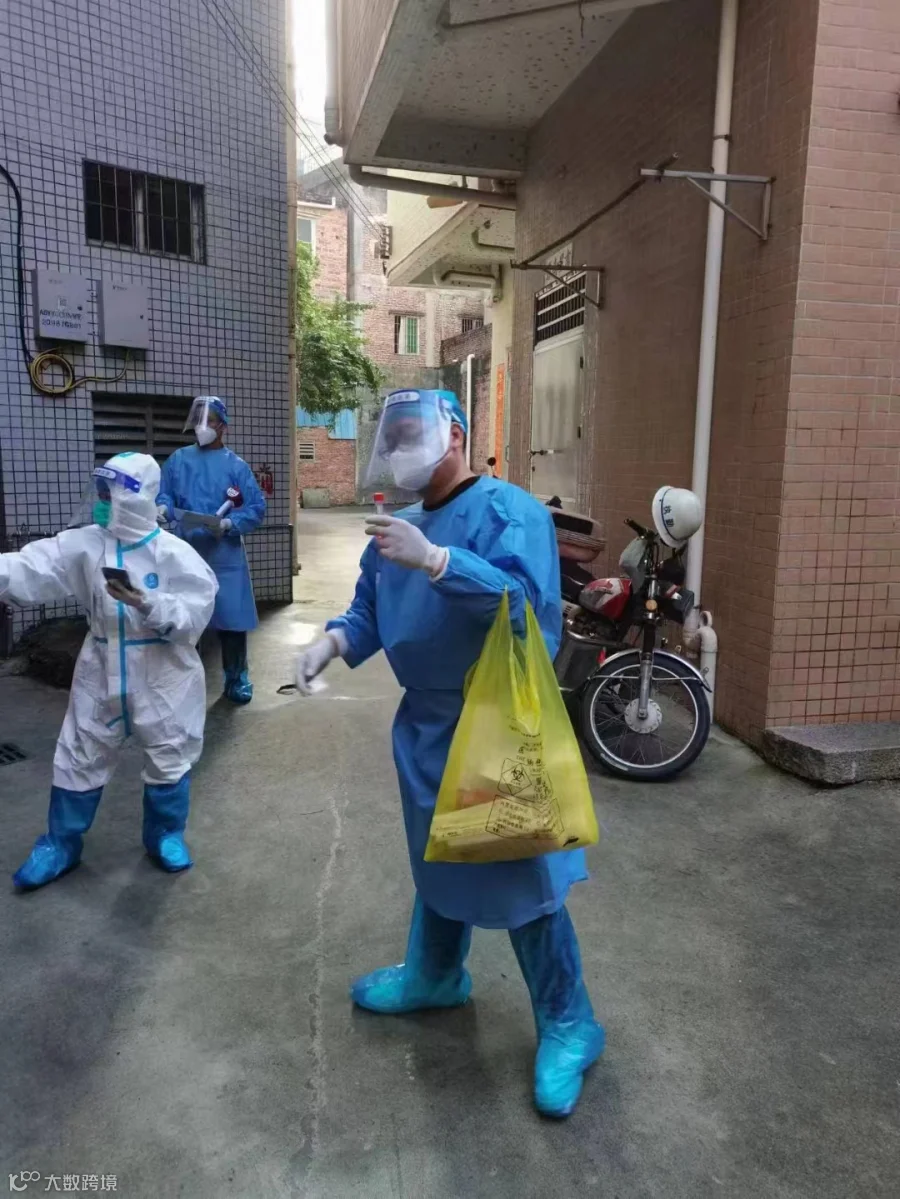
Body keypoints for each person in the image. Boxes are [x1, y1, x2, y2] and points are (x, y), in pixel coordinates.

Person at [294, 388, 604, 1118]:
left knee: (520, 876)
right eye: (394, 434)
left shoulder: (510, 513)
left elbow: (525, 610)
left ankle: (571, 1022)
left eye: (415, 432)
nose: (402, 447)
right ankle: (435, 974)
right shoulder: (400, 528)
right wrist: (333, 640)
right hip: (426, 728)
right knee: (438, 858)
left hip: (495, 720)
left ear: (455, 433)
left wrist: (439, 562)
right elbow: (370, 608)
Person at [3, 453, 218, 889]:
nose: (101, 502)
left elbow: (193, 618)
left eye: (109, 494)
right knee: (79, 752)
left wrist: (146, 602)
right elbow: (28, 566)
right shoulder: (85, 544)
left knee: (169, 752)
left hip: (163, 671)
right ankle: (60, 844)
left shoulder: (174, 554)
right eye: (99, 493)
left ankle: (165, 835)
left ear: (135, 499)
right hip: (100, 664)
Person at [157, 396, 266, 705]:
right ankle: (181, 683)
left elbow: (256, 507)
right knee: (184, 620)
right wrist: (162, 508)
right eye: (198, 419)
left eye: (210, 420)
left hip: (224, 555)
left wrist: (230, 524)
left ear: (223, 426)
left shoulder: (236, 467)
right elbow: (165, 493)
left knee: (231, 620)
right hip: (186, 551)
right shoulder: (178, 460)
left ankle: (236, 679)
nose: (201, 426)